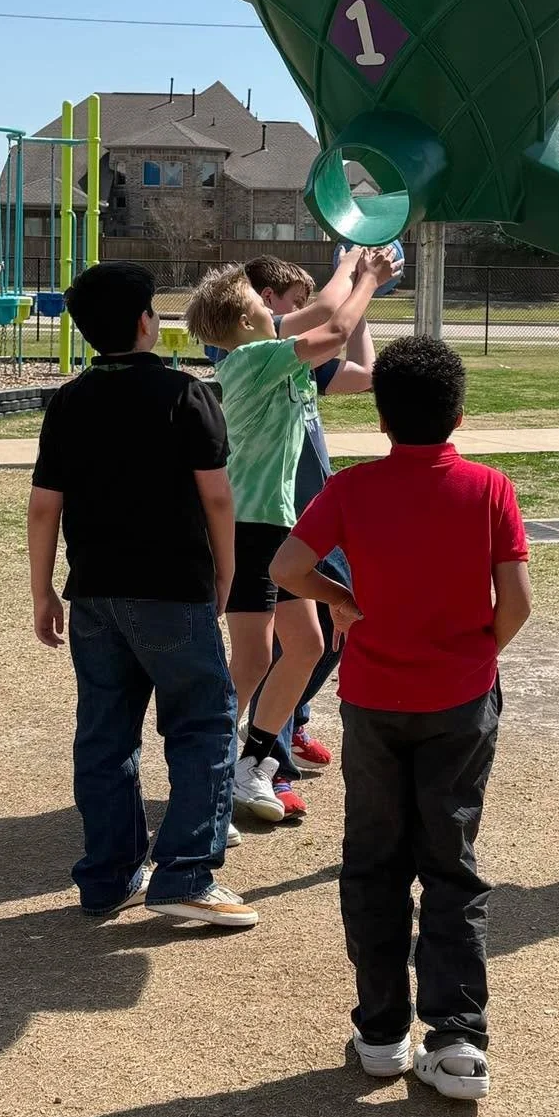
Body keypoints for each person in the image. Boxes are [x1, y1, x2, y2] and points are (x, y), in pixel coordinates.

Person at [270, 336, 532, 1102]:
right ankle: (456, 1036)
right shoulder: (490, 489)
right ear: (460, 413)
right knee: (451, 860)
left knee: (375, 858)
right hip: (460, 698)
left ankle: (383, 1031)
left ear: (381, 416)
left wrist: (341, 601)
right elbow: (515, 601)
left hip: (376, 700)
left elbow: (286, 566)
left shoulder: (353, 489)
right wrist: (477, 648)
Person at [27, 261, 258, 929]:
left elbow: (45, 507)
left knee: (105, 734)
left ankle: (109, 876)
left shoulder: (68, 401)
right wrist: (227, 569)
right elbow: (217, 494)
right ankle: (185, 871)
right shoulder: (186, 394)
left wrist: (43, 590)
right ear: (142, 322)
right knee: (205, 722)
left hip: (95, 591)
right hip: (170, 587)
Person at [185, 249, 398, 824]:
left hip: (277, 526)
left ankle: (252, 763)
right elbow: (333, 319)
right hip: (249, 527)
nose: (274, 309)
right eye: (262, 302)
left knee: (305, 647)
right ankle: (203, 765)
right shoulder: (252, 360)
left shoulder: (278, 360)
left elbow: (346, 341)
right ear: (246, 320)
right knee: (252, 657)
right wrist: (359, 265)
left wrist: (359, 283)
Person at [240, 254, 376, 817]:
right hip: (267, 525)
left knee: (320, 639)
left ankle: (274, 736)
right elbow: (331, 319)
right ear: (265, 300)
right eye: (293, 301)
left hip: (307, 521)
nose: (303, 312)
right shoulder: (246, 346)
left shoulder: (294, 362)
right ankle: (256, 759)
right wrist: (357, 266)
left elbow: (367, 373)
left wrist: (363, 304)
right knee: (267, 656)